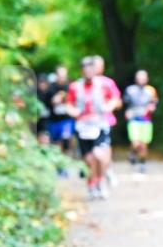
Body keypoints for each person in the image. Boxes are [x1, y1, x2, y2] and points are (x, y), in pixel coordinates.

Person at [67, 57, 121, 199]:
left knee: (100, 155)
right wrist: (73, 112)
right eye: (86, 70)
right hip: (83, 127)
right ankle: (92, 184)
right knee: (89, 160)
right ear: (82, 71)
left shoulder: (104, 84)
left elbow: (116, 99)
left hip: (100, 124)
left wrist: (108, 107)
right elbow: (69, 104)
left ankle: (101, 180)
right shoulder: (75, 86)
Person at [92, 55, 122, 188]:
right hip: (88, 124)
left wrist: (110, 105)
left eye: (100, 64)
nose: (98, 67)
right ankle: (97, 179)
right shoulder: (82, 84)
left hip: (105, 121)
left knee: (104, 151)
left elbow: (118, 101)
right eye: (96, 64)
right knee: (93, 154)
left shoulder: (108, 83)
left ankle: (106, 172)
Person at [123, 69, 158, 173]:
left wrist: (152, 108)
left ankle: (142, 163)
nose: (141, 80)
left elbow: (154, 103)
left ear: (147, 79)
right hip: (134, 119)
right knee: (135, 143)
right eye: (139, 78)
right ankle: (133, 153)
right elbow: (125, 102)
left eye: (143, 78)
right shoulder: (130, 90)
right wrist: (127, 112)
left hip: (146, 120)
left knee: (144, 144)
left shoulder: (151, 90)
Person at [46, 65, 75, 175]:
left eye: (63, 74)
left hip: (67, 120)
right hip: (54, 120)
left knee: (66, 138)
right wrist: (53, 100)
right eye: (59, 74)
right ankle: (59, 167)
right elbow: (46, 102)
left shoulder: (71, 86)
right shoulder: (51, 88)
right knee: (57, 144)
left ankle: (67, 165)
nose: (62, 77)